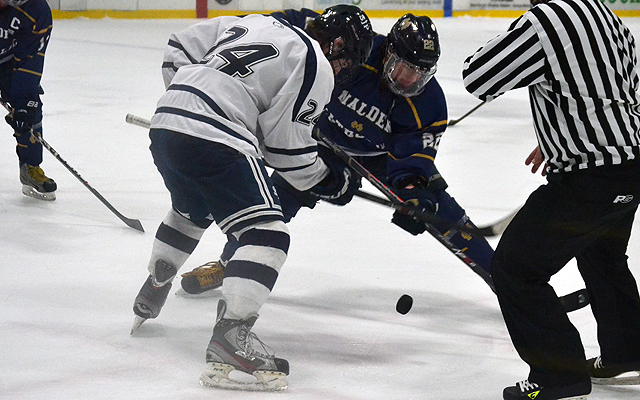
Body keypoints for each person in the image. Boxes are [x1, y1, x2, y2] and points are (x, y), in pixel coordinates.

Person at [131, 5, 374, 392]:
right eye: (346, 60)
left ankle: (156, 281)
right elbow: (287, 154)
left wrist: (195, 99)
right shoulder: (317, 61)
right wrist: (331, 182)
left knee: (192, 209)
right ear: (338, 44)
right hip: (214, 134)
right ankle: (232, 337)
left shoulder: (259, 22)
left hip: (166, 122)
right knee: (268, 235)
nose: (343, 69)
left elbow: (180, 44)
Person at [179, 12, 496, 297]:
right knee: (273, 203)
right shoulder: (356, 49)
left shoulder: (429, 103)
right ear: (388, 52)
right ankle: (228, 263)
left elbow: (412, 157)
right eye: (404, 69)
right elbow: (305, 27)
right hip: (320, 139)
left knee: (439, 208)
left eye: (419, 73)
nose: (409, 81)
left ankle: (503, 279)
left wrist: (412, 193)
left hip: (379, 155)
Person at [463, 0, 640, 398]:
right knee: (602, 255)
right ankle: (627, 351)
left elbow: (478, 75)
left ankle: (558, 374)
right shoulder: (609, 18)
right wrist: (563, 138)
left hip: (588, 177)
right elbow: (621, 97)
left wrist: (520, 31)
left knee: (515, 268)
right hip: (631, 164)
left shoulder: (545, 20)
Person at [0, 0, 56, 201]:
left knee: (30, 110)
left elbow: (30, 59)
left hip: (8, 60)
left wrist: (24, 103)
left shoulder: (37, 10)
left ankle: (30, 166)